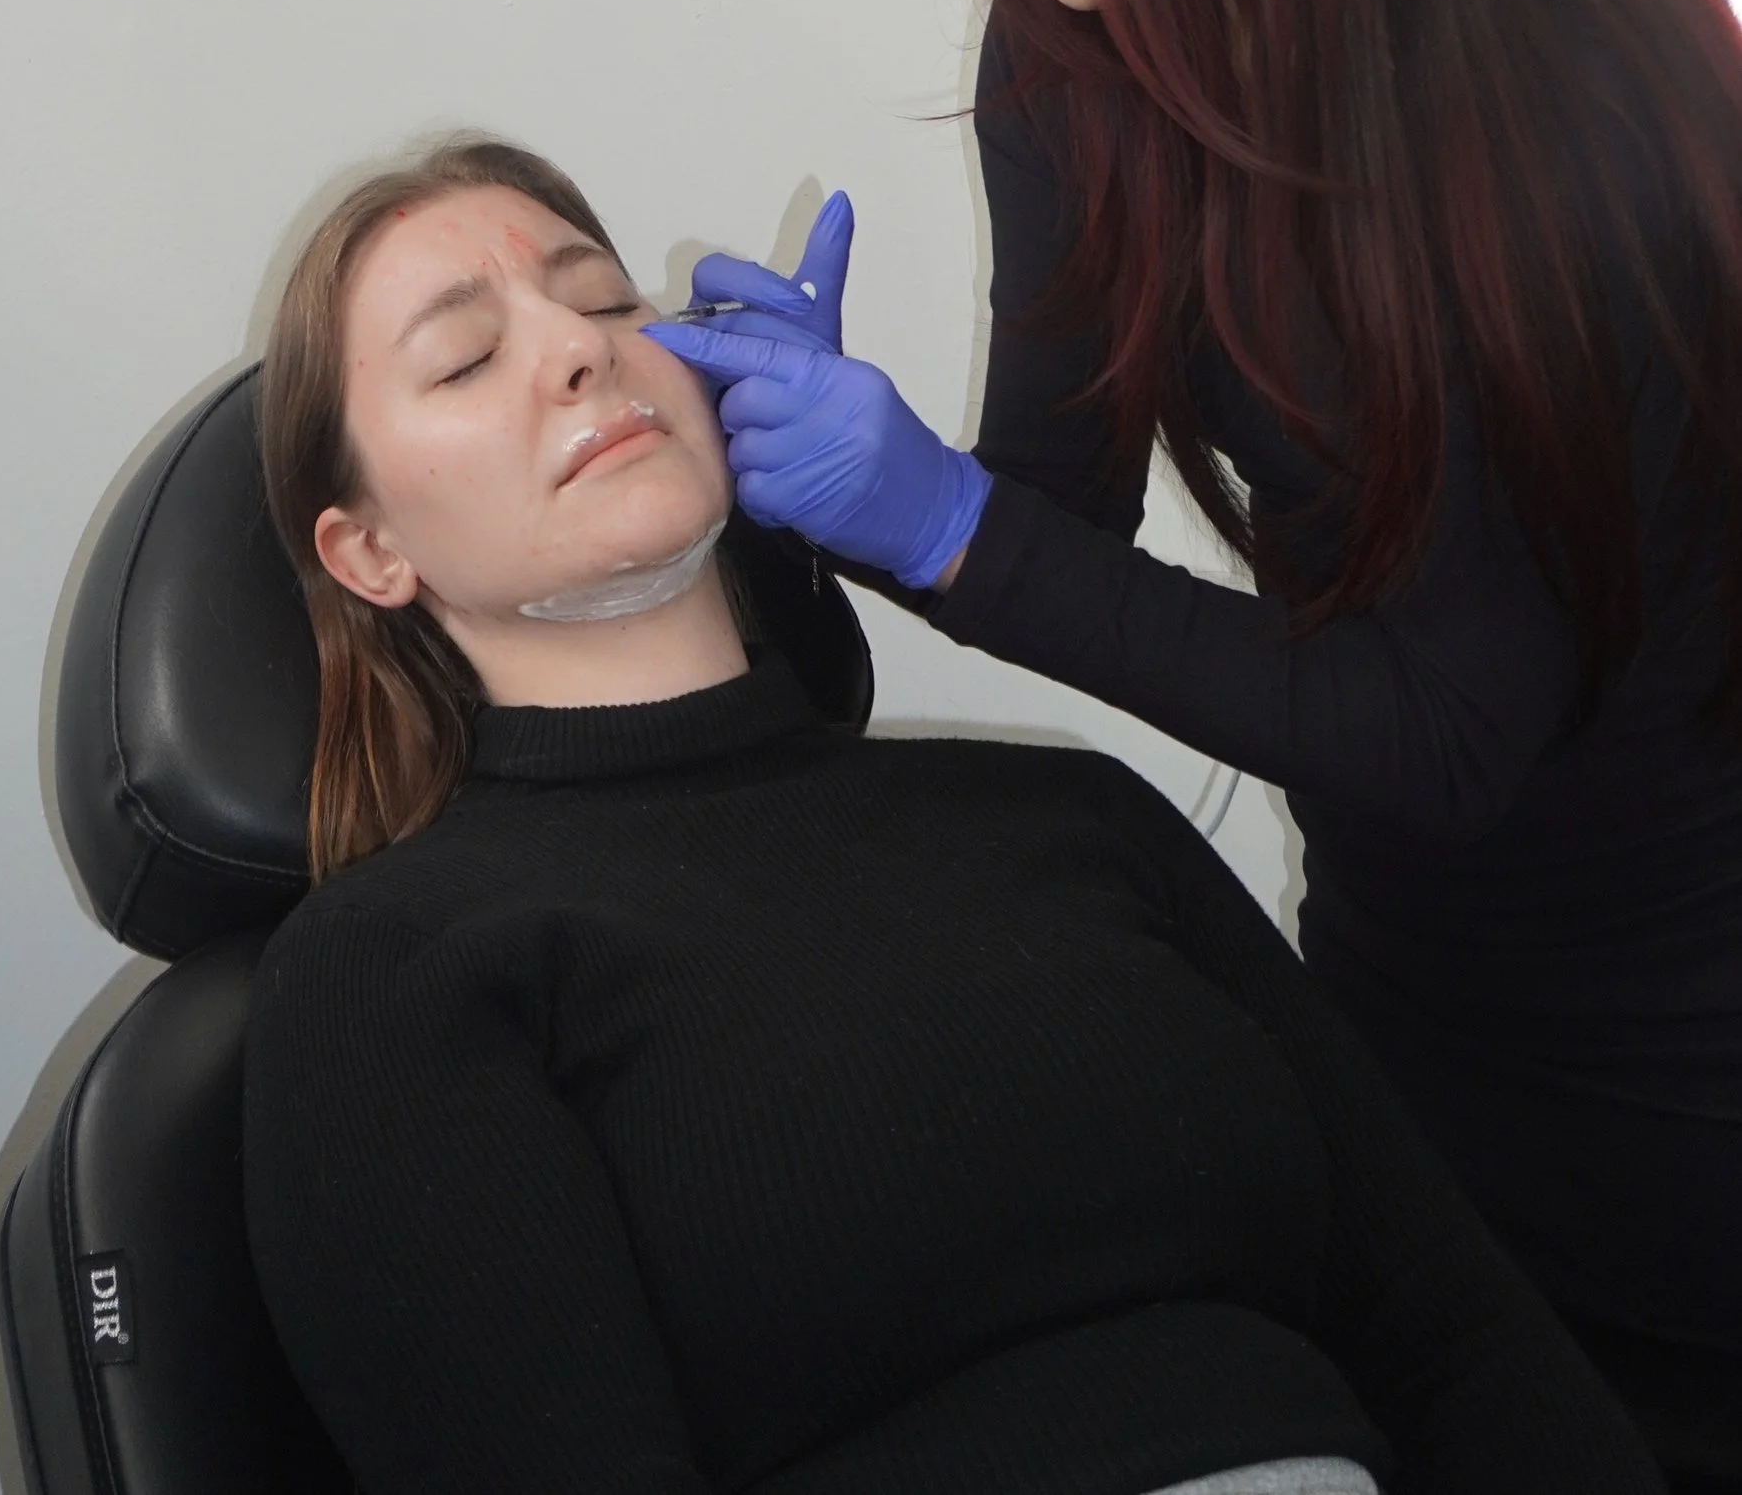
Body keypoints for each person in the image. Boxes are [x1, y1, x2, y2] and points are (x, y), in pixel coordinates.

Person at [652, 0, 1742, 1436]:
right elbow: (1048, 509)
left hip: (1681, 1057)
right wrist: (830, 499)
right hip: (1413, 998)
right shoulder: (1071, 56)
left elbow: (1440, 737)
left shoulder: (1560, 118)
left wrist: (953, 530)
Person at [241, 135, 1658, 1495]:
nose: (578, 344)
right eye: (467, 356)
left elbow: (1468, 1346)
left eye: (607, 297)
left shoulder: (1069, 815)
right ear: (367, 550)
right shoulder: (396, 968)